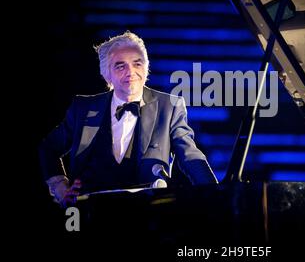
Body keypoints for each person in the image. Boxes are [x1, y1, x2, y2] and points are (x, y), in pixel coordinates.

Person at [39, 31, 218, 207]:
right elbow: (48, 148)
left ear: (146, 68)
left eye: (137, 64)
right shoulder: (83, 108)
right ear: (106, 74)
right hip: (89, 213)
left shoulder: (169, 106)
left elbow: (191, 157)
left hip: (149, 213)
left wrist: (215, 196)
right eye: (120, 66)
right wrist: (59, 186)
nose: (131, 72)